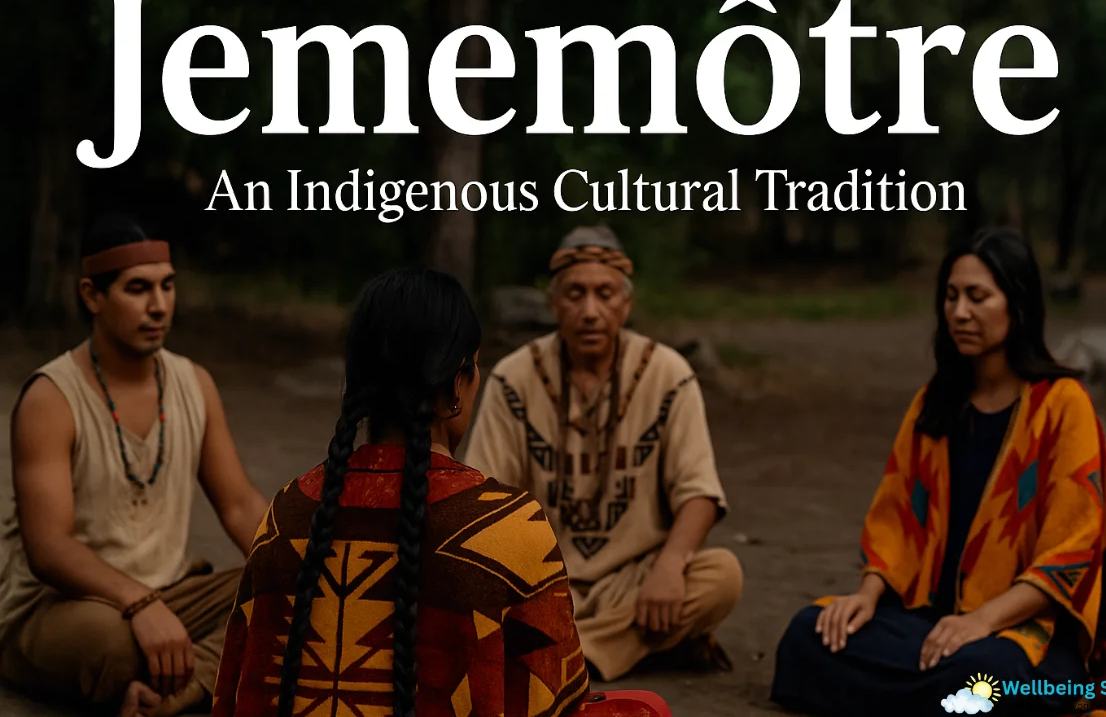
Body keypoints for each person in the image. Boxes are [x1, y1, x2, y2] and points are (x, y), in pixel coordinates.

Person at [211, 267, 671, 717]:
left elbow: (236, 689)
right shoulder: (511, 527)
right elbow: (553, 699)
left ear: (356, 384)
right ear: (457, 384)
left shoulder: (286, 512)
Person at [771, 227, 1106, 717]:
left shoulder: (1062, 406)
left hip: (1025, 634)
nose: (959, 312)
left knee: (985, 681)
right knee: (810, 633)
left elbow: (1071, 551)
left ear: (1016, 304)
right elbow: (896, 520)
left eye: (977, 297)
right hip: (929, 621)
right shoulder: (935, 403)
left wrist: (985, 619)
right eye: (951, 297)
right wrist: (866, 596)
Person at [0, 214, 270, 717]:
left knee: (286, 597)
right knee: (119, 650)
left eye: (168, 286)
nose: (159, 306)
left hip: (171, 595)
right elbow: (48, 548)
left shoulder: (194, 383)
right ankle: (197, 673)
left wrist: (306, 569)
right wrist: (139, 605)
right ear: (92, 295)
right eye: (138, 289)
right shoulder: (51, 397)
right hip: (61, 608)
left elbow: (237, 505)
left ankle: (175, 692)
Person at [464, 225, 742, 682]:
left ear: (625, 304)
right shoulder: (513, 379)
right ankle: (627, 647)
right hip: (542, 582)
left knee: (722, 576)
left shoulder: (669, 374)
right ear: (554, 304)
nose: (590, 311)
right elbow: (486, 499)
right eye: (575, 294)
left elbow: (699, 493)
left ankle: (563, 657)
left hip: (634, 583)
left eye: (605, 294)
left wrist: (670, 568)